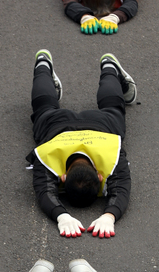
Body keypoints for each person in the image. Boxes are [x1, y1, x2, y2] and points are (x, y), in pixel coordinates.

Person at [29, 50, 134, 238]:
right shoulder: (47, 157)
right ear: (62, 177)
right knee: (44, 106)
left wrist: (109, 216)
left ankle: (109, 67)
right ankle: (42, 65)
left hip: (101, 122)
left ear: (100, 176)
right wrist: (63, 216)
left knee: (112, 107)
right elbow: (44, 191)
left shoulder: (112, 156)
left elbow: (121, 187)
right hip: (56, 123)